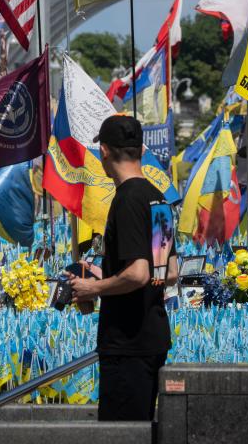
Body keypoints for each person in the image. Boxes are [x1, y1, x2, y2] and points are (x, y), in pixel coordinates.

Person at [67, 114, 177, 422]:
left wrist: (93, 287)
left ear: (103, 151)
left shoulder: (127, 200)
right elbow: (168, 271)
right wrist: (107, 275)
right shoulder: (157, 198)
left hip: (127, 342)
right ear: (142, 151)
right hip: (152, 336)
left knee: (121, 432)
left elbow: (139, 273)